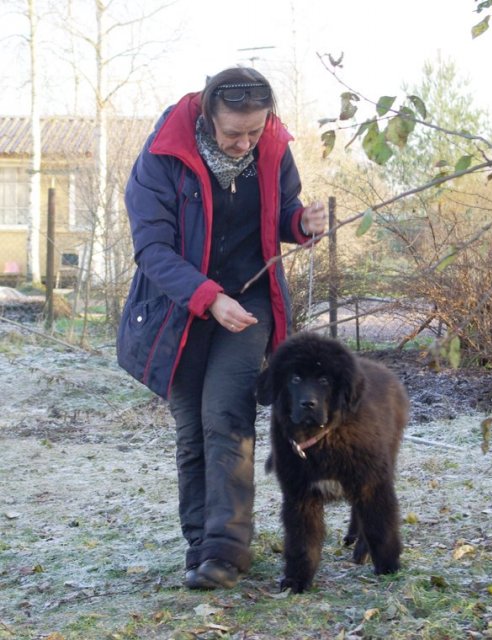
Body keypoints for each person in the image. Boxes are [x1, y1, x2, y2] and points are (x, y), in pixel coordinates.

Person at [116, 67, 326, 590]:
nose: (245, 143)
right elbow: (152, 249)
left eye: (254, 132)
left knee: (226, 418)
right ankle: (201, 550)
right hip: (178, 308)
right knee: (192, 433)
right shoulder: (164, 153)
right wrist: (208, 298)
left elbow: (282, 214)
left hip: (248, 301)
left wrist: (302, 224)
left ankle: (227, 551)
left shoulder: (272, 145)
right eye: (234, 133)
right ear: (208, 116)